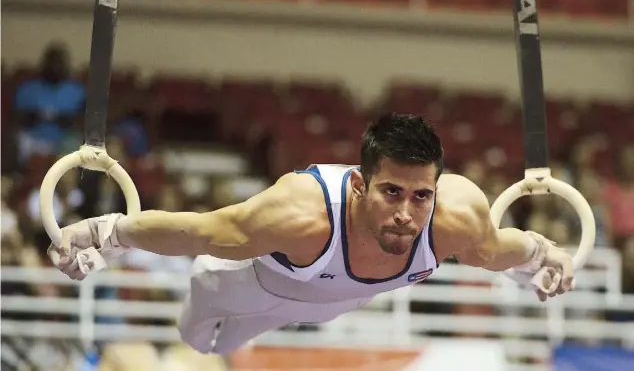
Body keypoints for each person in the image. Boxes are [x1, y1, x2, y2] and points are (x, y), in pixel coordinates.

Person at [48, 113, 575, 354]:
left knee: (231, 343)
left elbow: (494, 249)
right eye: (391, 192)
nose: (407, 215)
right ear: (359, 185)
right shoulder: (303, 215)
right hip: (243, 282)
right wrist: (109, 231)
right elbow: (201, 231)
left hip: (326, 305)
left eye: (421, 196)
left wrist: (542, 255)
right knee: (198, 339)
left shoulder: (454, 220)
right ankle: (200, 309)